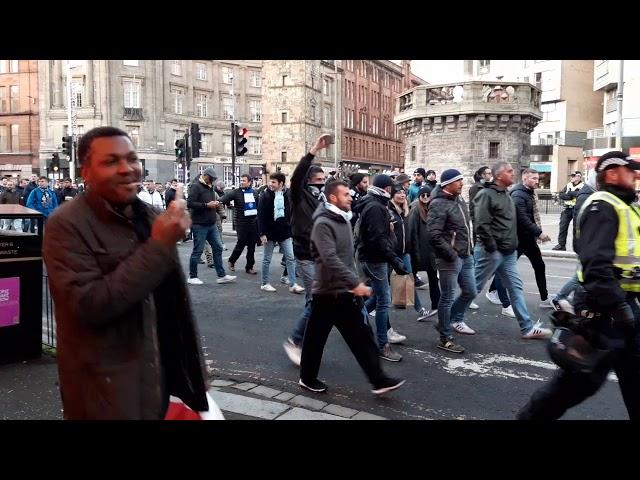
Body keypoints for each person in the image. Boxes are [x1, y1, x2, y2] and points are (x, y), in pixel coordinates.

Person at [42, 126, 209, 419]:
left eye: (132, 159)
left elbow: (169, 305)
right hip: (104, 392)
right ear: (86, 172)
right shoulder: (65, 225)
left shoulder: (148, 215)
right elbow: (90, 305)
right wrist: (159, 244)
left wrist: (190, 374)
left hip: (154, 379)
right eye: (110, 161)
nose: (127, 169)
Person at [517, 151, 640, 419]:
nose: (635, 175)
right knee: (575, 385)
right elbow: (595, 265)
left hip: (624, 305)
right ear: (611, 173)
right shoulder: (603, 206)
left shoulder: (627, 206)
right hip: (604, 310)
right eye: (630, 170)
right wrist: (619, 307)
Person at [299, 180, 406, 395]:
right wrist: (355, 282)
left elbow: (347, 257)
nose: (350, 197)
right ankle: (307, 378)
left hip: (345, 293)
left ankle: (379, 380)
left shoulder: (343, 219)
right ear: (332, 198)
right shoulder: (323, 224)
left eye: (349, 193)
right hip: (328, 293)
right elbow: (329, 259)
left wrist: (354, 281)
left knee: (362, 337)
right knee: (315, 339)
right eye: (345, 194)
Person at [469, 161, 552, 340]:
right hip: (495, 248)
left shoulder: (510, 193)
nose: (512, 173)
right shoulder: (499, 194)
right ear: (499, 175)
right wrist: (492, 247)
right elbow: (482, 224)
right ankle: (452, 317)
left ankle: (527, 326)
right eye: (509, 171)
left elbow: (518, 219)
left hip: (510, 246)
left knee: (516, 286)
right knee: (473, 286)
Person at [282, 134, 332, 366]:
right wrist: (313, 151)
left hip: (321, 255)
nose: (321, 183)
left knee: (313, 300)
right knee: (317, 301)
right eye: (318, 179)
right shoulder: (298, 195)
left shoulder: (322, 199)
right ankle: (294, 340)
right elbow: (298, 176)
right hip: (305, 254)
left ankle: (305, 340)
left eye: (324, 179)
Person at [357, 174, 410, 362]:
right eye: (392, 189)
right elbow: (378, 240)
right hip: (375, 260)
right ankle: (382, 344)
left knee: (378, 297)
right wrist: (395, 260)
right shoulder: (375, 207)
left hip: (374, 258)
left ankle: (358, 321)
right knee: (383, 302)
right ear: (387, 189)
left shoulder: (374, 204)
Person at [427, 170, 475, 353]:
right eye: (458, 181)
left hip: (466, 255)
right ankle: (445, 337)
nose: (462, 184)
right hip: (449, 258)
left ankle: (444, 322)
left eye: (462, 180)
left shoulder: (458, 199)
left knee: (470, 291)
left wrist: (469, 249)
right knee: (446, 297)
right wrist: (451, 253)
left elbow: (464, 227)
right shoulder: (438, 203)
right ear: (447, 184)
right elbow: (433, 235)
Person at [510, 168, 554, 308]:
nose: (537, 181)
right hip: (518, 239)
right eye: (533, 178)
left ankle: (544, 298)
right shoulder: (518, 195)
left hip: (528, 239)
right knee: (505, 268)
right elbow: (523, 218)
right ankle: (492, 291)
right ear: (524, 178)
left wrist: (536, 233)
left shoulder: (529, 193)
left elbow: (533, 217)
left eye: (537, 178)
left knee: (539, 265)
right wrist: (539, 233)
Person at [388, 184, 432, 322]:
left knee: (409, 280)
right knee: (381, 286)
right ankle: (366, 309)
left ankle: (420, 310)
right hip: (390, 254)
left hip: (404, 253)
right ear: (392, 195)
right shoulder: (388, 211)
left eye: (403, 192)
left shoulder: (405, 211)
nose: (402, 195)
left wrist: (410, 251)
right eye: (398, 193)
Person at [186, 168, 236, 285]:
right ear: (205, 176)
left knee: (218, 247)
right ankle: (192, 277)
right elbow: (190, 203)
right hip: (199, 224)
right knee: (197, 251)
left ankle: (221, 276)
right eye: (211, 179)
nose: (212, 181)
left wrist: (215, 204)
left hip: (211, 223)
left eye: (213, 180)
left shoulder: (210, 187)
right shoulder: (195, 186)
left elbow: (212, 201)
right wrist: (206, 205)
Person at [257, 172, 304, 294]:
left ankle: (293, 284)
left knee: (290, 257)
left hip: (284, 232)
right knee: (267, 259)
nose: (270, 184)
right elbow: (260, 216)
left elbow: (291, 212)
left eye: (273, 182)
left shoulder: (287, 195)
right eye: (270, 181)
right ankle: (264, 283)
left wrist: (290, 226)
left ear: (281, 183)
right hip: (270, 232)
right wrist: (262, 233)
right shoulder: (265, 196)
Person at [407, 185, 440, 319]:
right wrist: (413, 252)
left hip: (430, 252)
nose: (426, 198)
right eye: (423, 195)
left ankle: (436, 307)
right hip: (418, 251)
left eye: (428, 195)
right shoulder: (415, 209)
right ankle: (419, 308)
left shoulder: (432, 209)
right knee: (410, 280)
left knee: (433, 279)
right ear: (419, 197)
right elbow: (412, 232)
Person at [219, 174, 259, 274]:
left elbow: (258, 206)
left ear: (249, 182)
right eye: (241, 180)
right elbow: (223, 199)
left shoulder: (255, 193)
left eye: (244, 180)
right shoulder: (236, 192)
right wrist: (218, 202)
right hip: (241, 222)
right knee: (241, 242)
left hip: (253, 222)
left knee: (252, 246)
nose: (241, 182)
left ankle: (249, 267)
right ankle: (232, 260)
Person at [553, 172, 584, 251]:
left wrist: (569, 193)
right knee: (563, 226)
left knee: (576, 228)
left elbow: (580, 194)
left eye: (573, 176)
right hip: (567, 209)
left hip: (576, 209)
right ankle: (561, 245)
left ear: (579, 177)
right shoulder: (568, 184)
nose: (571, 178)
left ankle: (577, 246)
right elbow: (561, 195)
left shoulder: (583, 185)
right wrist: (570, 197)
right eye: (571, 176)